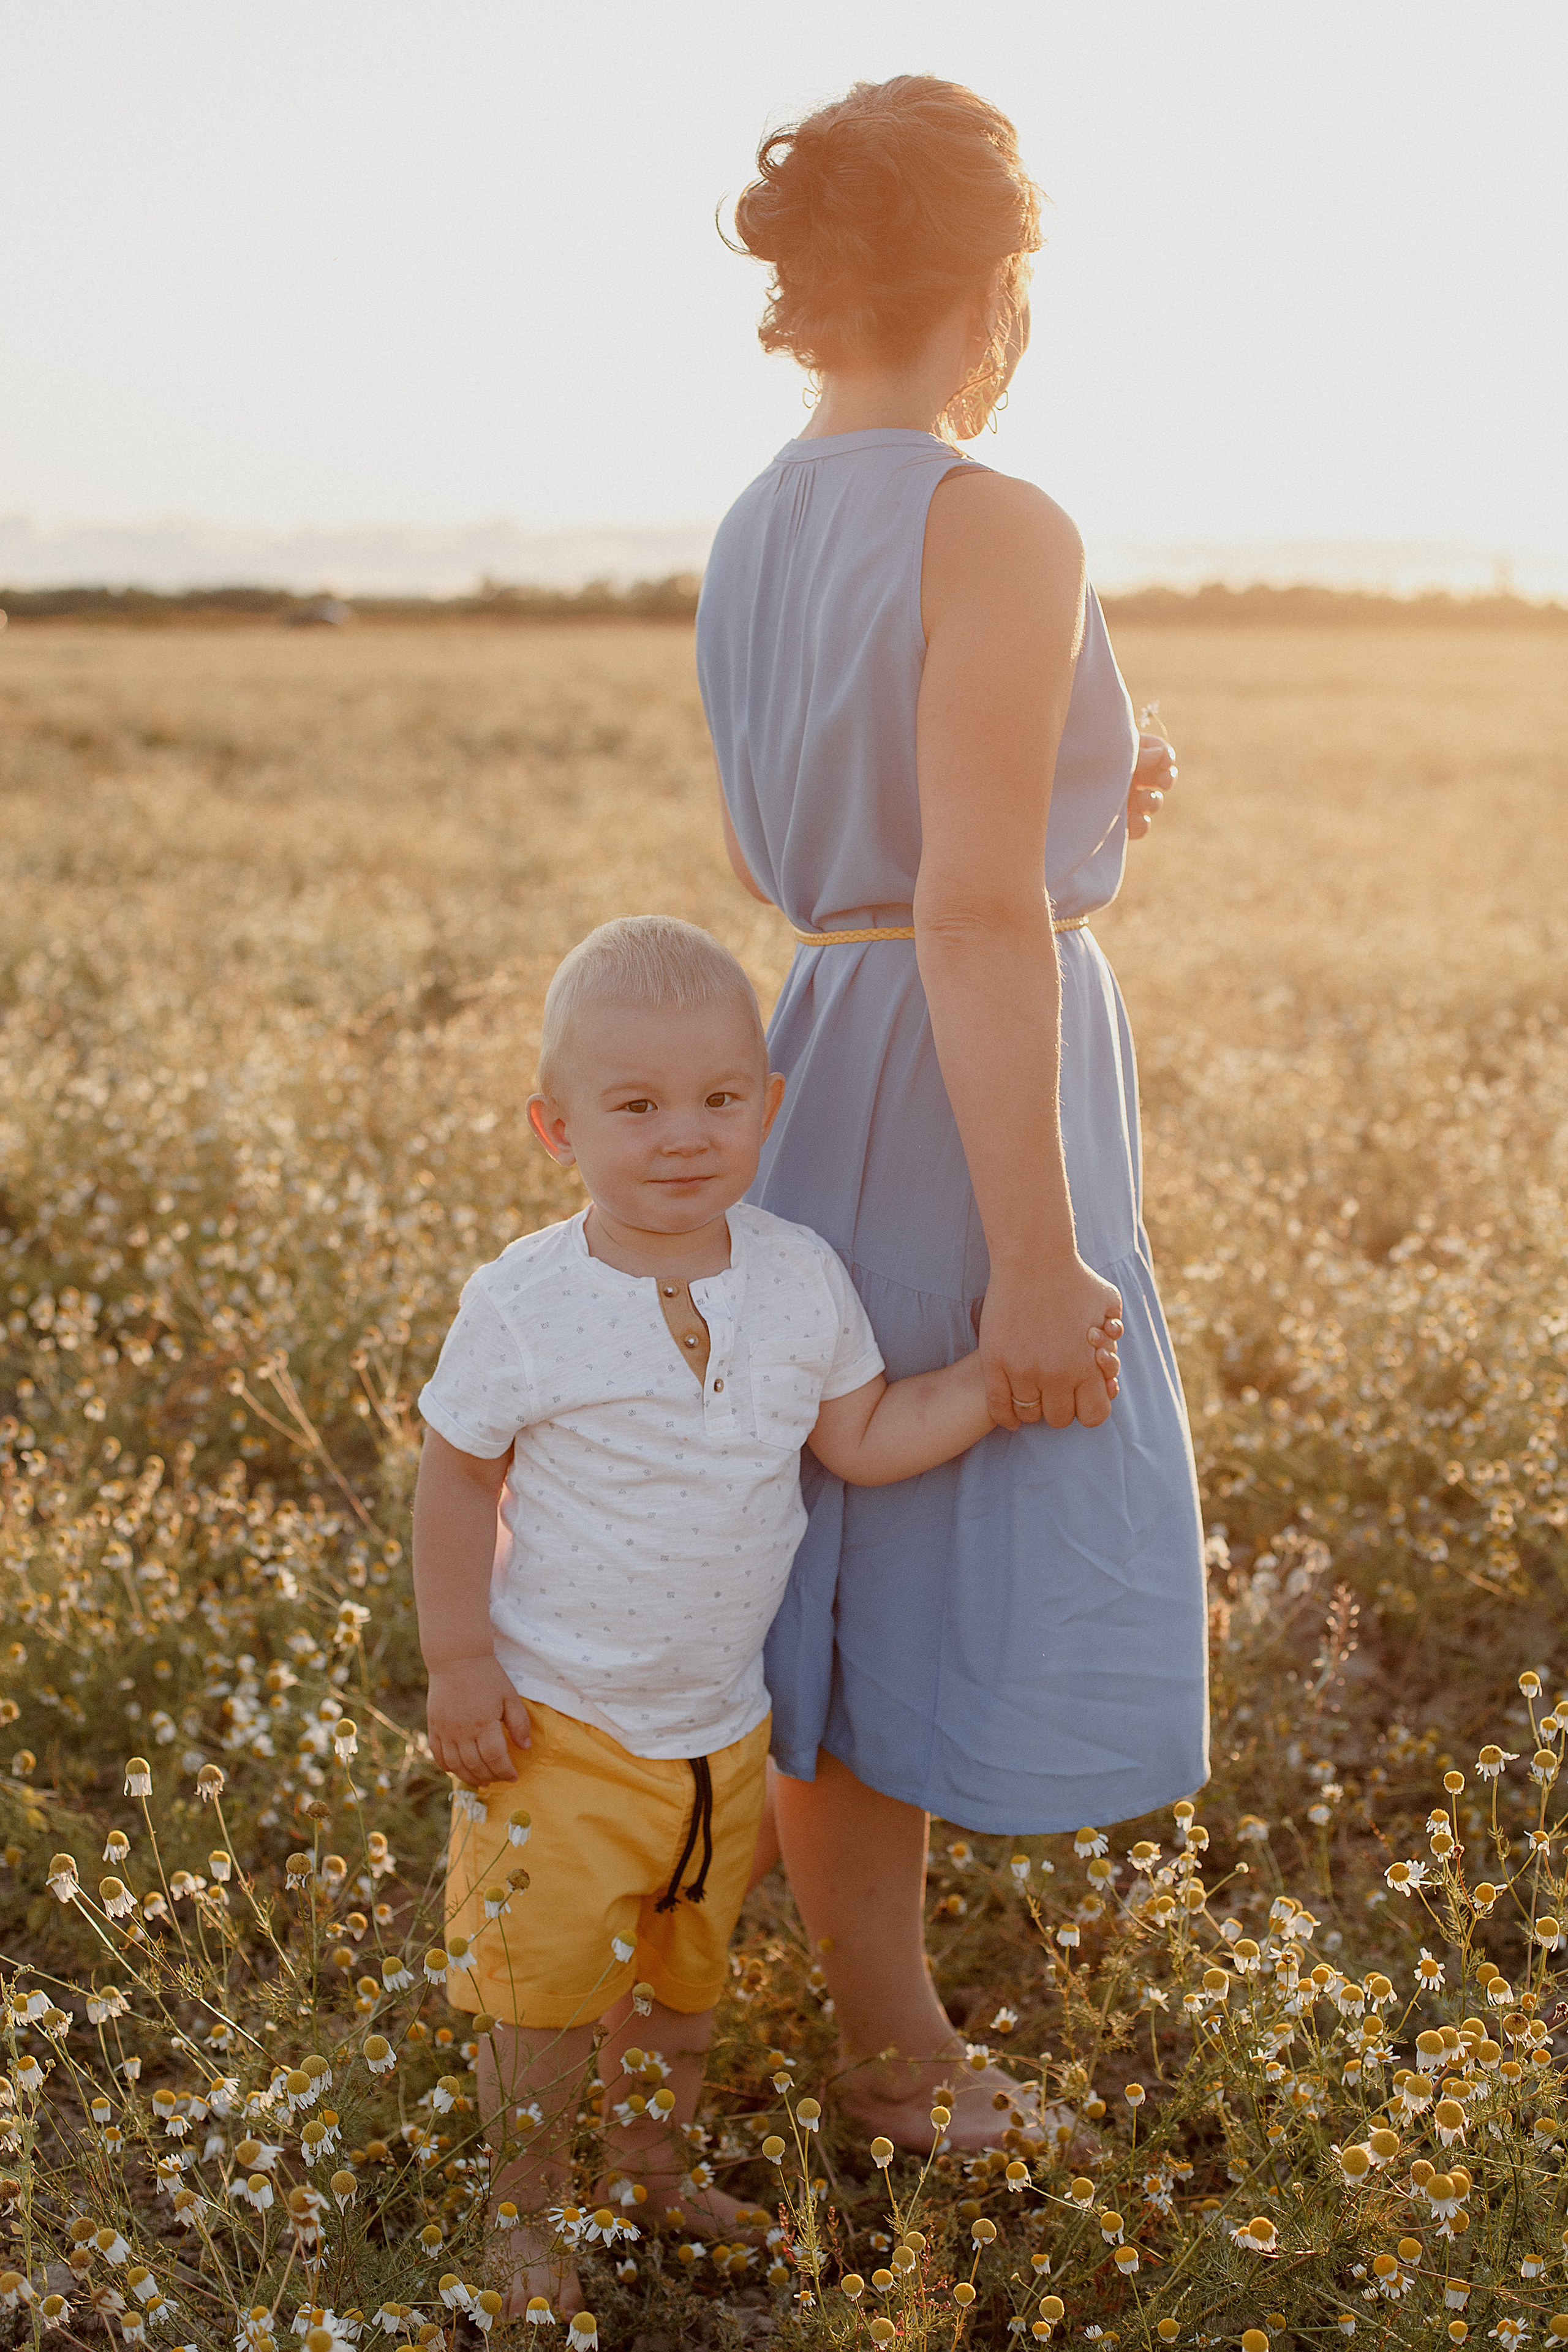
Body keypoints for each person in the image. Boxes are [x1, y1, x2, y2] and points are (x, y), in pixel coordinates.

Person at [695, 74, 1210, 2155]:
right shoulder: (995, 515)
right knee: (913, 1518)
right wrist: (1036, 1254)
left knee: (839, 1539)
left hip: (833, 1022)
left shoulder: (759, 515)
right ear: (998, 287)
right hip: (957, 1066)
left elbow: (858, 849)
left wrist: (1087, 803)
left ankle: (805, 2012)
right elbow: (980, 907)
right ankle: (896, 2059)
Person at [410, 916, 1117, 2318]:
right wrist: (458, 1660)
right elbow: (454, 1478)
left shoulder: (797, 1275)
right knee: (541, 2006)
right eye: (635, 1107)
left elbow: (858, 1435)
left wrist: (989, 1383)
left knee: (680, 1989)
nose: (684, 1135)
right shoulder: (526, 1299)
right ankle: (524, 2220)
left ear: (768, 1105)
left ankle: (648, 2170)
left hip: (718, 1731)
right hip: (559, 1728)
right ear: (555, 1128)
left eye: (718, 1099)